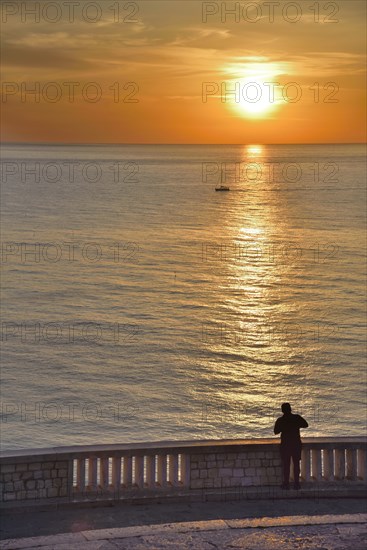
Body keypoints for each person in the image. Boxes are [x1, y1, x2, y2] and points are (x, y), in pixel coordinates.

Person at [274, 403, 308, 490]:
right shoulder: (296, 418)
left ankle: (286, 484)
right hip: (296, 444)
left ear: (282, 410)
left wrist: (284, 428)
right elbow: (305, 424)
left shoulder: (281, 420)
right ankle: (296, 484)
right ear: (290, 409)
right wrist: (295, 425)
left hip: (286, 445)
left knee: (286, 465)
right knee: (296, 464)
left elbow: (276, 431)